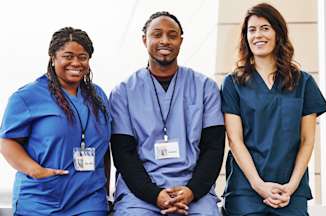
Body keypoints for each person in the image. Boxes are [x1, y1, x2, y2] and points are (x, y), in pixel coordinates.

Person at [109, 11, 225, 215]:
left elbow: (214, 149)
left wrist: (192, 191)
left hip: (192, 190)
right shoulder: (124, 92)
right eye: (157, 34)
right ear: (145, 40)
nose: (165, 41)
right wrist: (154, 195)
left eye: (172, 35)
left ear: (180, 41)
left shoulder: (205, 87)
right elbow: (123, 154)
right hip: (140, 194)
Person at [221, 3, 326, 216]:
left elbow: (308, 141)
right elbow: (235, 140)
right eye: (252, 30)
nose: (258, 35)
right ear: (245, 37)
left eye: (265, 28)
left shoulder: (303, 82)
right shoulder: (232, 83)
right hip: (246, 191)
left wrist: (292, 185)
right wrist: (258, 184)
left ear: (278, 33)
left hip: (290, 190)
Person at [0, 27, 111, 216]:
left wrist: (105, 190)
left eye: (82, 57)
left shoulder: (98, 96)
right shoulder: (28, 96)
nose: (76, 63)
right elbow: (7, 141)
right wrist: (36, 171)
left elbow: (104, 147)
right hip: (42, 199)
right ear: (53, 57)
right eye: (68, 56)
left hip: (89, 200)